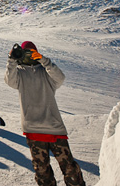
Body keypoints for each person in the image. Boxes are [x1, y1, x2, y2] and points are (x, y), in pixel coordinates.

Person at [5, 41, 86, 186]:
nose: (29, 56)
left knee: (70, 169)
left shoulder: (46, 72)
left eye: (32, 53)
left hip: (54, 128)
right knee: (42, 172)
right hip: (33, 129)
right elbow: (9, 81)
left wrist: (44, 61)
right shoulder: (20, 73)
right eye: (26, 53)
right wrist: (11, 61)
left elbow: (60, 78)